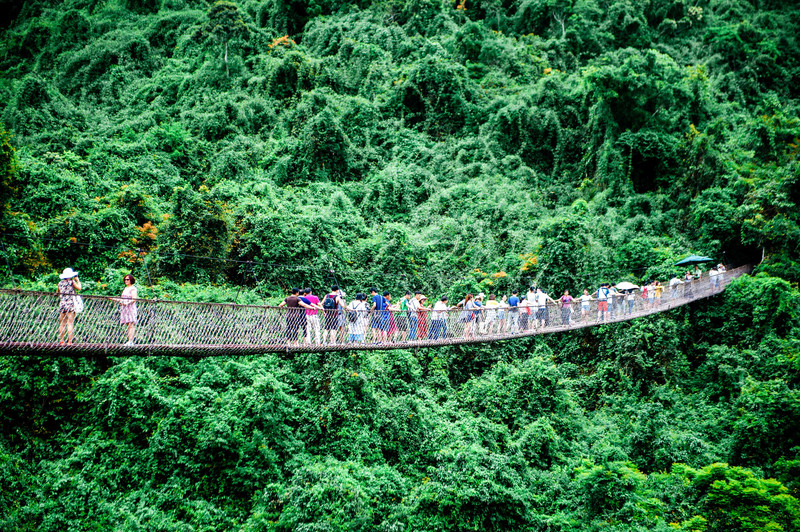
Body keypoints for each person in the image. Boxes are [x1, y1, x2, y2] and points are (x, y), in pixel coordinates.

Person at [57, 267, 82, 346]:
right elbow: (79, 288)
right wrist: (77, 280)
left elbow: (57, 292)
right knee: (70, 323)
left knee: (62, 324)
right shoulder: (71, 282)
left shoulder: (60, 283)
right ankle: (70, 342)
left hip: (62, 304)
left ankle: (61, 341)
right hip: (70, 304)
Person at [115, 274, 138, 345]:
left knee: (131, 323)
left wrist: (127, 303)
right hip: (125, 308)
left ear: (131, 280)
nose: (126, 281)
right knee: (128, 324)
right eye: (125, 279)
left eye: (127, 279)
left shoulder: (133, 288)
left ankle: (131, 341)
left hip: (130, 308)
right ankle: (129, 340)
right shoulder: (126, 288)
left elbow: (134, 298)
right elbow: (122, 298)